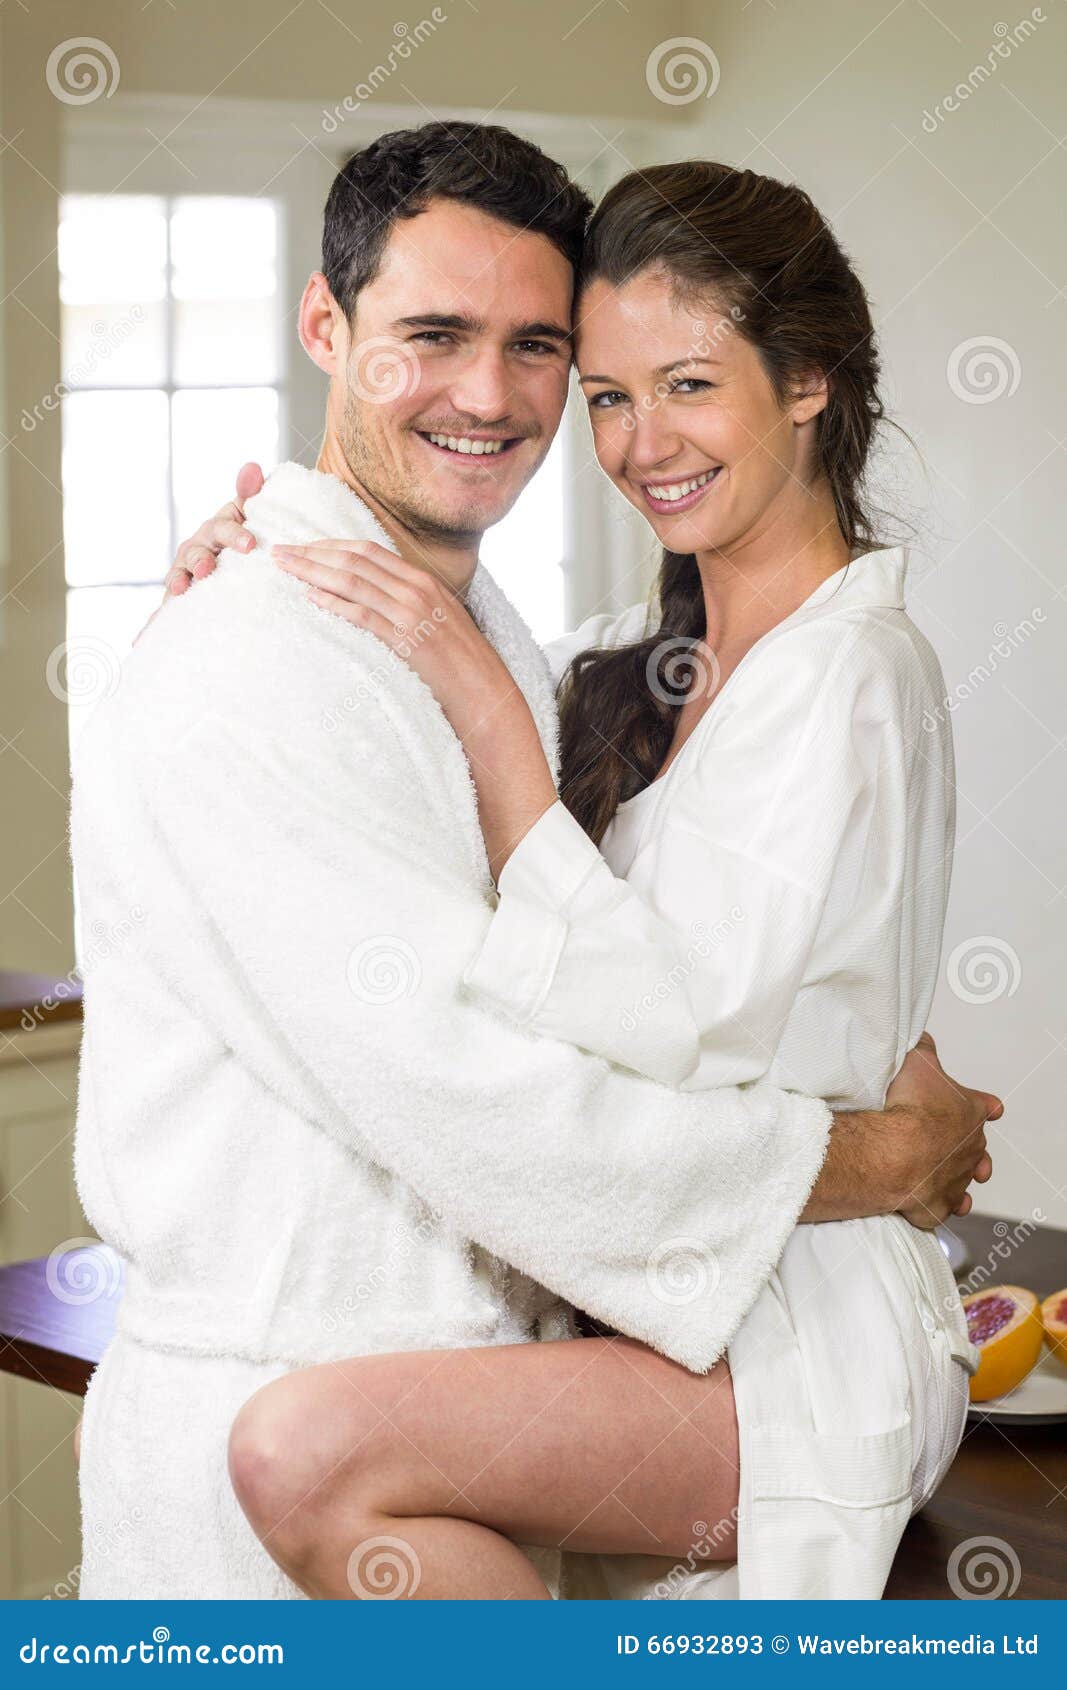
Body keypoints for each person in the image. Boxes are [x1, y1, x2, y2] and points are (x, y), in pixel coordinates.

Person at [154, 135, 998, 1601]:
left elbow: (681, 1022)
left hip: (801, 1335)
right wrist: (255, 556)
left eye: (688, 384)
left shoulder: (850, 672)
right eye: (606, 395)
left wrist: (486, 713)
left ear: (810, 383)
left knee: (302, 1450)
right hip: (663, 1325)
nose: (639, 442)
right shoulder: (627, 662)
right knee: (376, 1537)